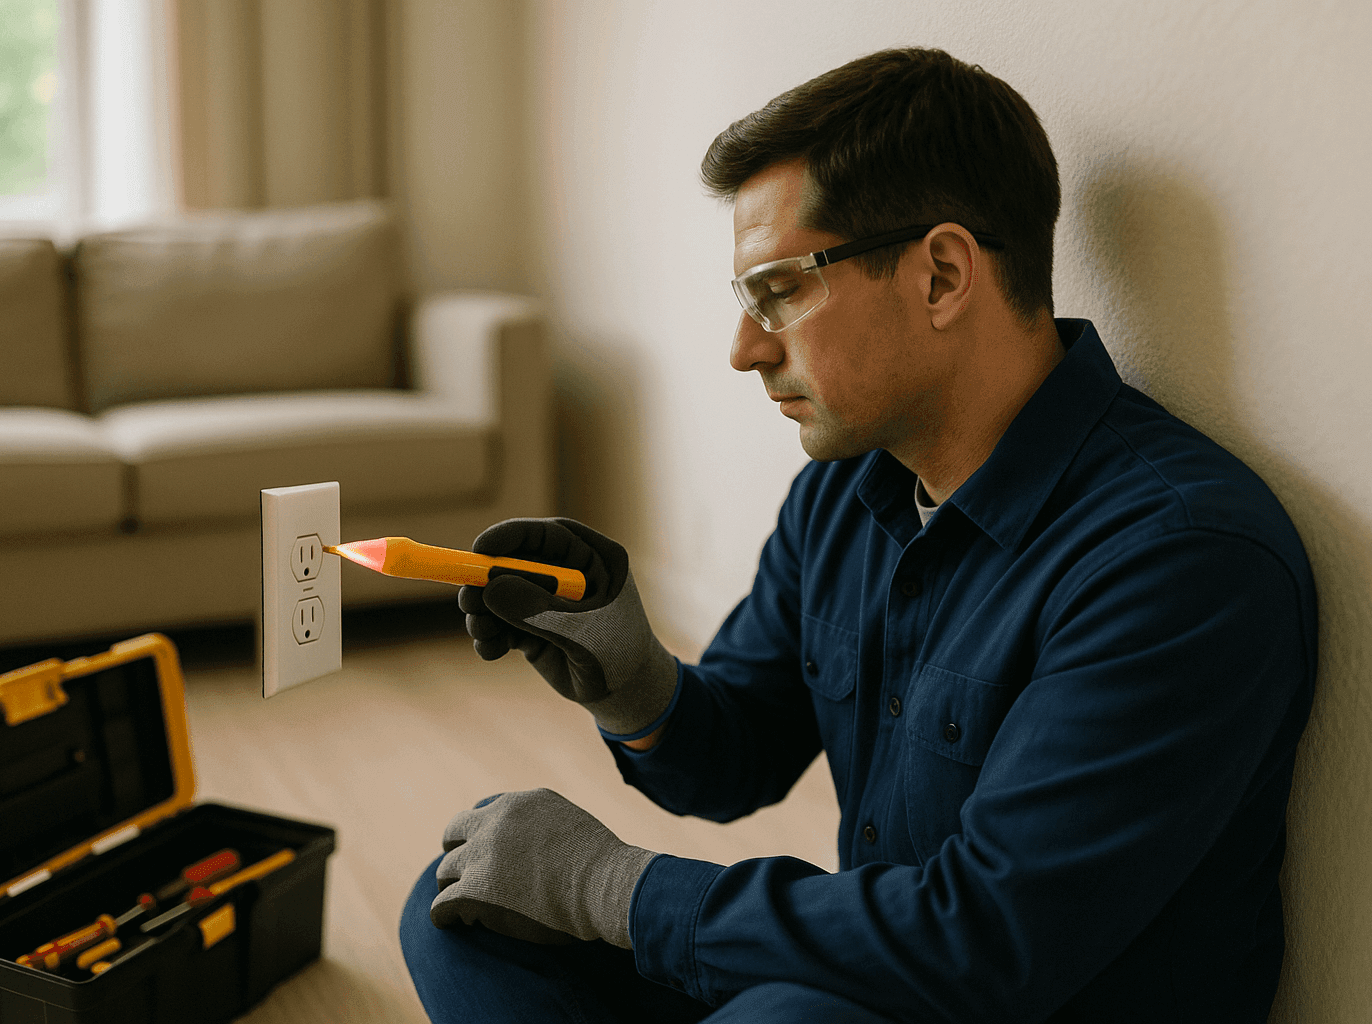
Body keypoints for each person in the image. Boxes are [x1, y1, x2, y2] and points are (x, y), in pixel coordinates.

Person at [398, 47, 1317, 1023]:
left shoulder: (1180, 557)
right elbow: (738, 753)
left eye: (780, 291)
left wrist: (607, 888)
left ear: (942, 275)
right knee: (461, 898)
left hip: (1006, 993)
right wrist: (633, 678)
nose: (745, 349)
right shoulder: (848, 493)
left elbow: (987, 939)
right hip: (884, 972)